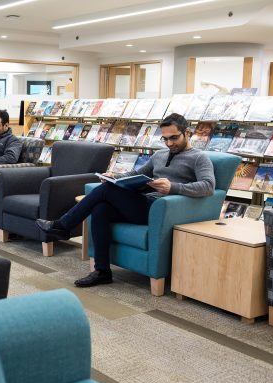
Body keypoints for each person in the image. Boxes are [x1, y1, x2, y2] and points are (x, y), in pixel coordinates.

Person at [36, 113, 215, 288]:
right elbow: (137, 174)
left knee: (105, 191)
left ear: (188, 132)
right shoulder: (160, 155)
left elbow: (208, 187)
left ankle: (63, 225)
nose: (169, 143)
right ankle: (102, 271)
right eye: (165, 139)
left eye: (174, 138)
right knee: (100, 208)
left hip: (161, 210)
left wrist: (173, 187)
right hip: (143, 203)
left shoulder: (199, 158)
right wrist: (115, 176)